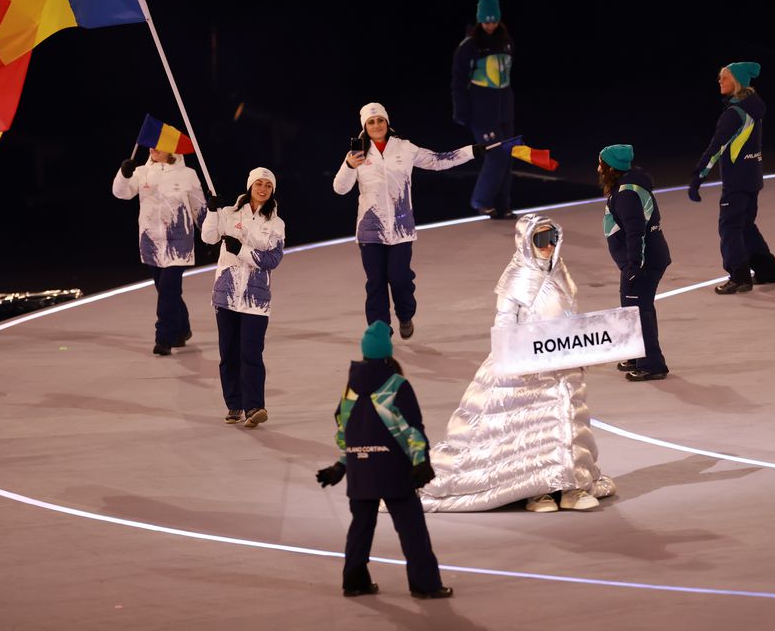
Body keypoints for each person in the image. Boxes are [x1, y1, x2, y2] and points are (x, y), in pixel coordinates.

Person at [419, 214, 616, 513]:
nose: (548, 246)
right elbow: (504, 321)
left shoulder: (560, 270)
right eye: (540, 240)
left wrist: (579, 352)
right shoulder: (517, 276)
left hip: (559, 361)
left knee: (563, 423)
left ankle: (569, 486)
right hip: (526, 364)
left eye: (552, 239)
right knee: (530, 429)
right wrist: (513, 358)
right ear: (527, 242)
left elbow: (570, 314)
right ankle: (537, 491)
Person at [316, 321, 452, 599]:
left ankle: (354, 581)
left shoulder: (350, 389)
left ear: (364, 353)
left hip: (360, 469)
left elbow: (344, 429)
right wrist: (420, 461)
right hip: (393, 469)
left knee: (360, 529)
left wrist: (342, 465)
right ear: (388, 353)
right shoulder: (396, 385)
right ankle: (425, 584)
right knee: (412, 530)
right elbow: (411, 428)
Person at [333, 102, 480, 340]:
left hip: (401, 229)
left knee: (399, 278)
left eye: (380, 120)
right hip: (370, 231)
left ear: (387, 122)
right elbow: (340, 188)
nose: (376, 125)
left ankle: (405, 314)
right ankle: (380, 331)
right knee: (376, 283)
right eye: (371, 122)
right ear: (364, 127)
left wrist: (472, 151)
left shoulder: (404, 148)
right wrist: (349, 165)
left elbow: (438, 160)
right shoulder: (357, 154)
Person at [686, 62, 775, 294]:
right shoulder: (753, 107)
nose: (720, 81)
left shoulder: (733, 114)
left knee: (729, 227)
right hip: (753, 177)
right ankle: (768, 271)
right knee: (746, 225)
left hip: (737, 181)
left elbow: (715, 148)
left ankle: (739, 277)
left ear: (737, 81)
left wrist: (698, 177)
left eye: (724, 77)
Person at [201, 167, 285, 428]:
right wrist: (212, 211)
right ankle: (234, 404)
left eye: (267, 186)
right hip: (226, 294)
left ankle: (254, 407)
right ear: (250, 186)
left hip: (256, 299)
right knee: (229, 353)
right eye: (258, 184)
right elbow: (208, 237)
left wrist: (243, 251)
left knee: (251, 352)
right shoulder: (228, 213)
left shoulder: (276, 223)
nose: (262, 189)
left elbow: (273, 260)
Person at [113, 143, 206, 355]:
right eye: (151, 146)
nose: (152, 149)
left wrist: (213, 236)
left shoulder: (187, 174)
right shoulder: (142, 172)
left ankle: (164, 338)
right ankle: (183, 329)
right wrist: (124, 174)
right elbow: (121, 193)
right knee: (167, 291)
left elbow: (198, 207)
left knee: (168, 290)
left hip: (179, 243)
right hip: (151, 243)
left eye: (158, 146)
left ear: (171, 150)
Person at [599, 145, 672, 382]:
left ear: (610, 168)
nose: (597, 168)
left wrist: (633, 265)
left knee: (638, 311)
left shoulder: (626, 194)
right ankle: (636, 354)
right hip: (646, 258)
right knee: (636, 308)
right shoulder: (630, 186)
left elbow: (635, 231)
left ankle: (652, 365)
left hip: (642, 261)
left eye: (600, 163)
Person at [451, 0, 516, 219]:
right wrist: (462, 112)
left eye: (494, 21)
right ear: (480, 21)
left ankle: (503, 205)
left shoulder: (506, 41)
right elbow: (458, 82)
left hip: (504, 111)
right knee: (496, 155)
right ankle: (481, 200)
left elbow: (505, 77)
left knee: (507, 154)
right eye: (486, 21)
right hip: (482, 113)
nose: (490, 25)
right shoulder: (469, 46)